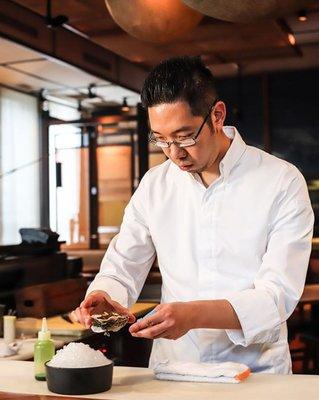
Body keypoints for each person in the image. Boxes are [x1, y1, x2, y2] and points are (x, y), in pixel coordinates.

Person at [73, 56, 314, 374]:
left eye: (185, 136)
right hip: (176, 367)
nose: (174, 153)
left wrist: (193, 315)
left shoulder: (280, 181)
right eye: (160, 139)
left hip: (254, 371)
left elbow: (277, 297)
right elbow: (123, 264)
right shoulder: (155, 185)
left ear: (217, 115)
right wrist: (105, 294)